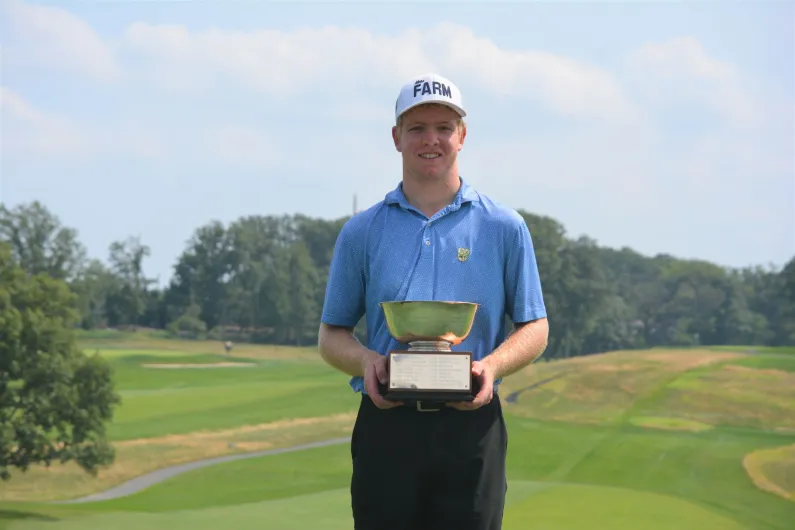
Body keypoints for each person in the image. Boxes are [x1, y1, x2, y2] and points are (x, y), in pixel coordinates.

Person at [318, 72, 549, 530]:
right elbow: (331, 334)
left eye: (444, 127)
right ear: (396, 137)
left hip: (472, 422)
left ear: (461, 136)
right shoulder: (362, 231)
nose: (431, 139)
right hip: (387, 423)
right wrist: (367, 362)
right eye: (417, 128)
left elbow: (535, 326)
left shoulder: (504, 227)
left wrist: (493, 367)